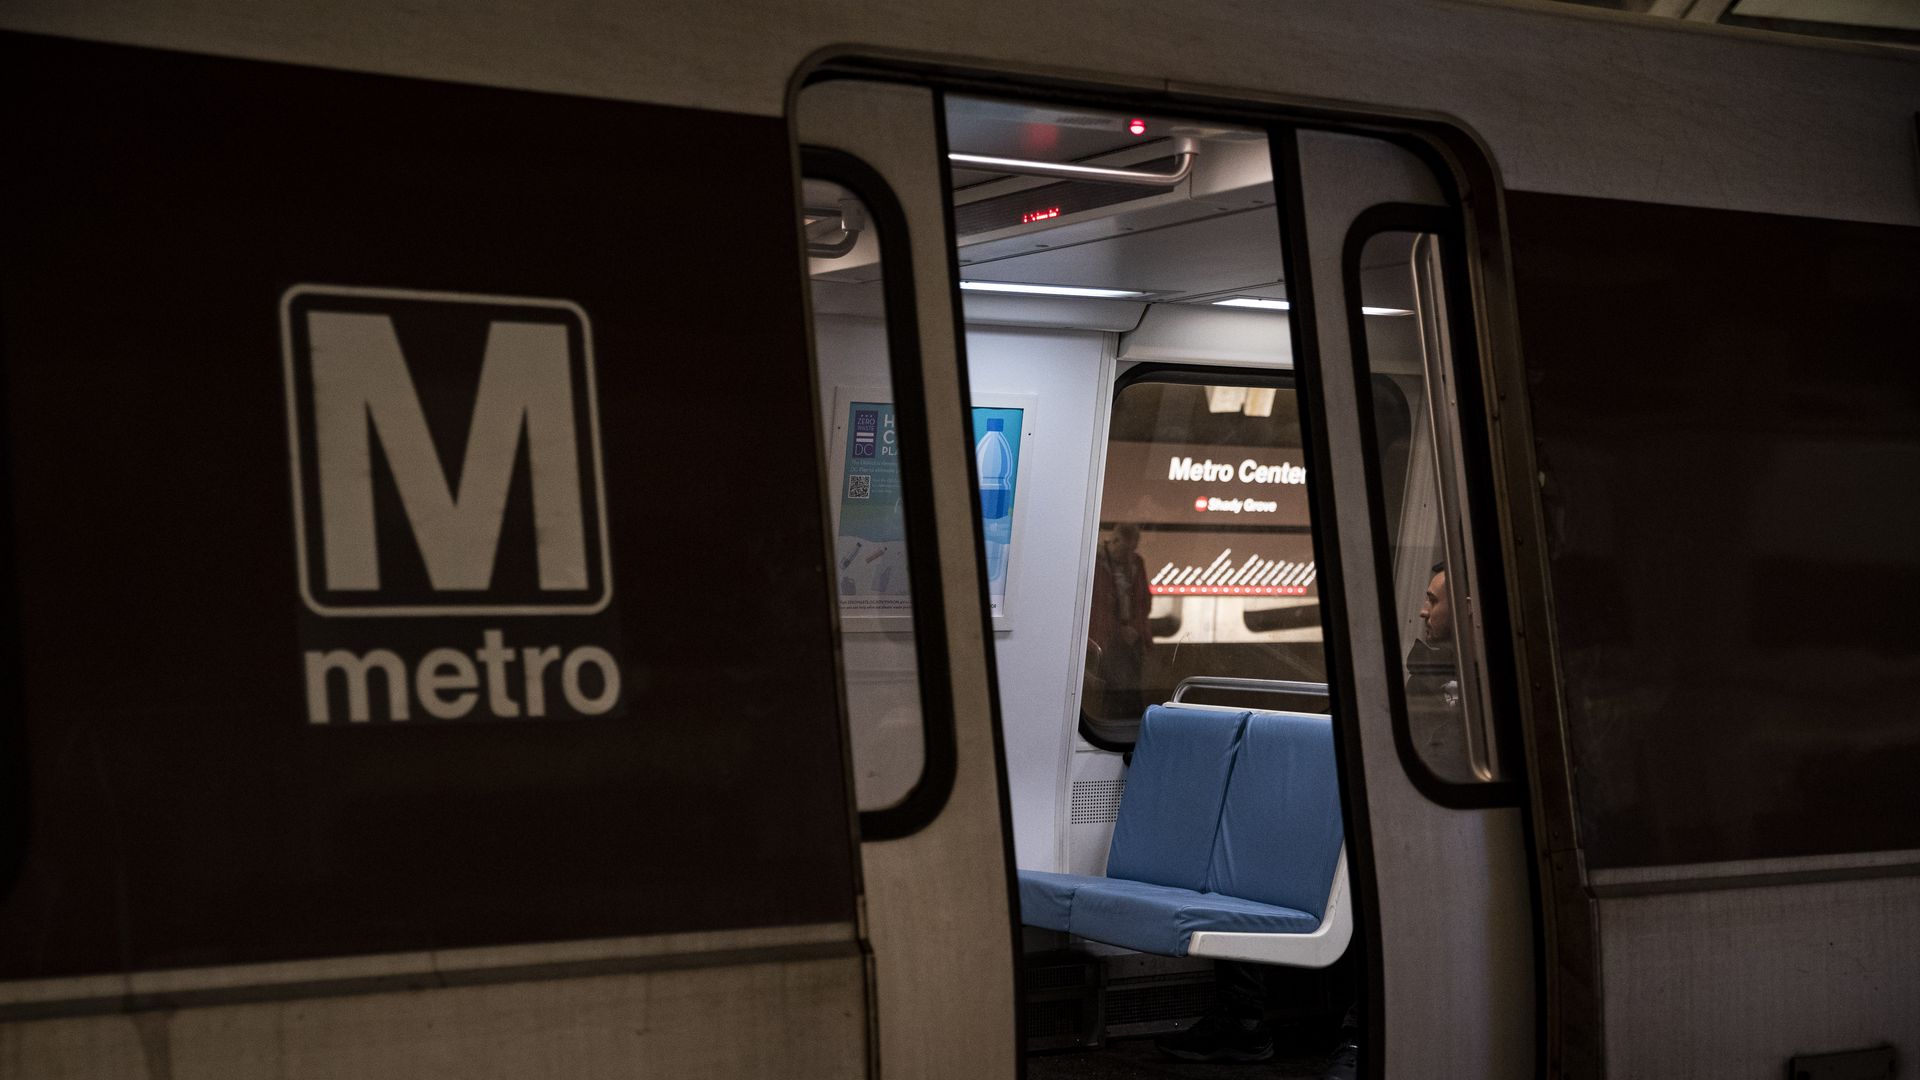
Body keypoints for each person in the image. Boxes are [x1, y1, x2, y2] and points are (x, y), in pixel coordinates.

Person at [1088, 523, 1152, 721]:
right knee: (1117, 685)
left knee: (1133, 684)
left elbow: (1143, 601)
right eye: (1124, 549)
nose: (1127, 555)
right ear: (1114, 541)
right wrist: (1119, 630)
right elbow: (1097, 606)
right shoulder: (1097, 563)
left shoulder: (1136, 563)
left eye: (1131, 550)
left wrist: (1134, 628)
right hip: (1106, 637)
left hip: (1133, 637)